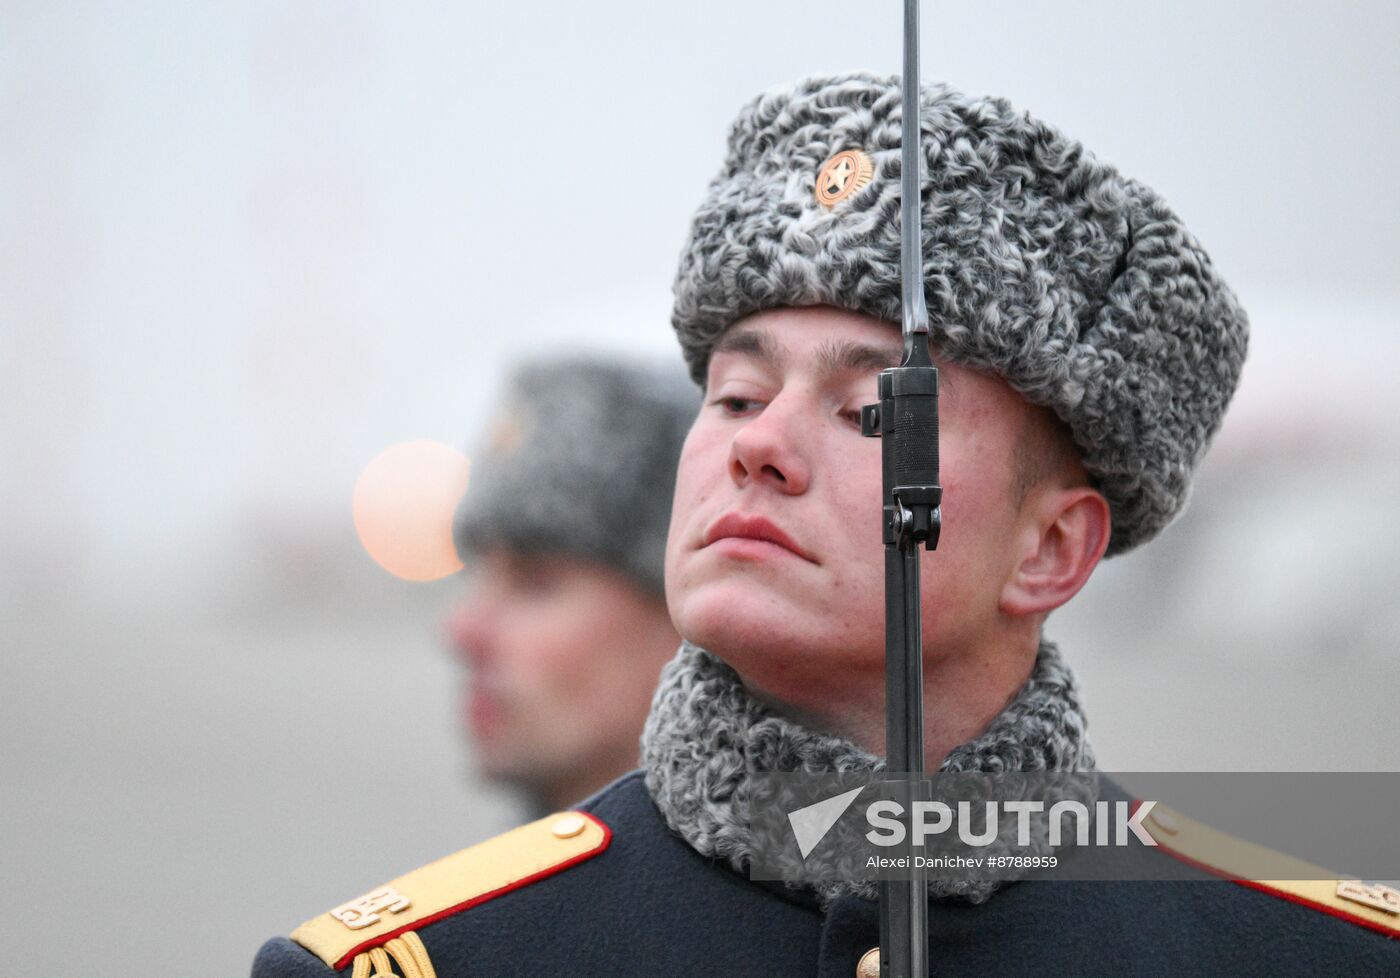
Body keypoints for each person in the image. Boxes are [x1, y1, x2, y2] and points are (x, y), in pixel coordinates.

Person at [252, 75, 1399, 978]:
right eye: (736, 396)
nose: (757, 444)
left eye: (865, 412)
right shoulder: (437, 962)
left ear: (1052, 548)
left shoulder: (1312, 956)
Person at [446, 358, 696, 816]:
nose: (462, 631)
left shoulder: (846, 853)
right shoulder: (517, 881)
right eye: (477, 574)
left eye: (536, 582)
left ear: (690, 622)